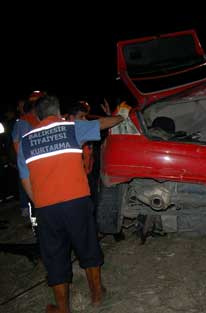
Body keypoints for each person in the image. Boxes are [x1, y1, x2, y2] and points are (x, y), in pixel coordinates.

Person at [17, 95, 124, 312]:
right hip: (77, 202)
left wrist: (39, 203)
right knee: (87, 246)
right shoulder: (71, 128)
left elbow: (25, 178)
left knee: (55, 256)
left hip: (46, 208)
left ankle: (62, 308)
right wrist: (119, 115)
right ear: (58, 113)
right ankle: (96, 296)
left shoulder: (25, 141)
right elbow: (106, 123)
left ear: (37, 116)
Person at [11, 92, 42, 221]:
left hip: (37, 163)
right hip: (30, 163)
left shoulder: (37, 121)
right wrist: (22, 161)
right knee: (28, 187)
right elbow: (17, 143)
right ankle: (31, 215)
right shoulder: (22, 123)